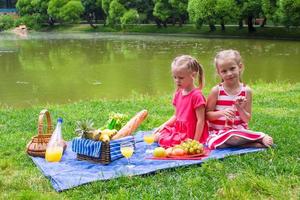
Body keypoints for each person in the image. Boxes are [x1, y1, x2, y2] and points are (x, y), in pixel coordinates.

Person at [206, 49, 273, 149]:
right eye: (224, 71)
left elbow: (246, 119)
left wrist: (239, 107)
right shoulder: (216, 91)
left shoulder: (246, 91)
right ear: (219, 72)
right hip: (218, 133)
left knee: (235, 137)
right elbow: (207, 115)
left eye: (232, 68)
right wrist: (222, 113)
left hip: (238, 131)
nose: (229, 73)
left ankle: (260, 136)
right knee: (216, 144)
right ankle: (252, 143)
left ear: (240, 67)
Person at [154, 55, 208, 148]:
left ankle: (175, 141)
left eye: (181, 78)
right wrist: (164, 125)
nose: (177, 81)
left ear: (193, 75)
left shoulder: (196, 96)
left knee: (162, 139)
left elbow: (201, 121)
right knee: (158, 134)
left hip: (190, 133)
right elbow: (176, 116)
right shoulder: (179, 93)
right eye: (175, 77)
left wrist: (195, 142)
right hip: (179, 130)